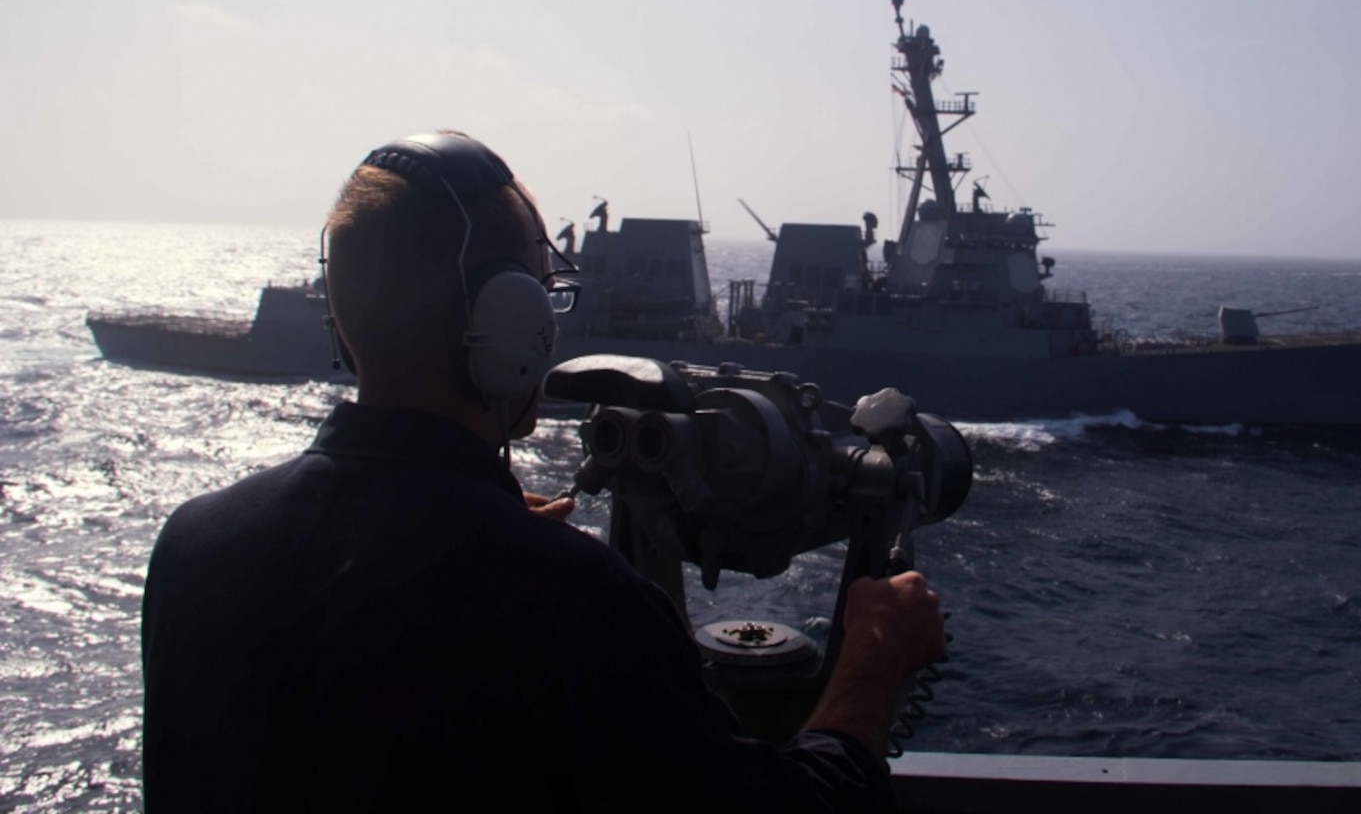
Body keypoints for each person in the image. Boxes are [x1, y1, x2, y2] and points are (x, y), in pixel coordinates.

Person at [141, 131, 946, 811]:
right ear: (509, 322)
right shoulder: (574, 603)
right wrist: (873, 654)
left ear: (345, 328)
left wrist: (474, 549)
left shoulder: (194, 547)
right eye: (543, 294)